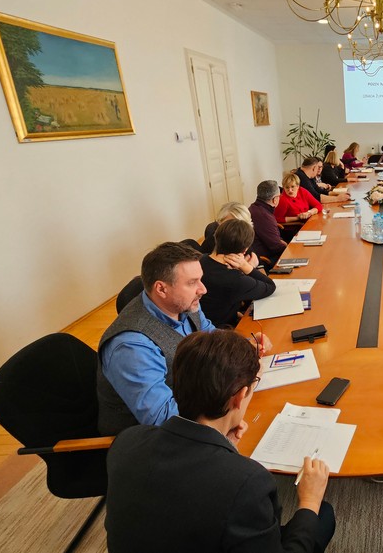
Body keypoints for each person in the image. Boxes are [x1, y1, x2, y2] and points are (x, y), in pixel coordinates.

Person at [106, 330, 336, 553]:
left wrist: (224, 448)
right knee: (322, 515)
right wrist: (310, 500)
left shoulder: (126, 441)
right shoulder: (249, 483)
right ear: (239, 397)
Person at [97, 242, 271, 435]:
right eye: (192, 282)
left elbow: (210, 334)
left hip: (196, 411)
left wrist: (244, 347)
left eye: (200, 280)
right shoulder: (131, 346)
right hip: (148, 441)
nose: (203, 289)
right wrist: (223, 422)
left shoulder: (184, 303)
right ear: (161, 289)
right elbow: (164, 419)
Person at [199, 219, 276, 327]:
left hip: (202, 324)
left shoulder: (199, 260)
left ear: (216, 239)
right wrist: (246, 267)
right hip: (221, 331)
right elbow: (270, 286)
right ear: (245, 250)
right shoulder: (235, 279)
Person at [248, 180, 288, 264]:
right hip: (266, 260)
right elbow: (276, 246)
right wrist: (290, 249)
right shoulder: (264, 215)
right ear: (274, 200)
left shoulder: (254, 207)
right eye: (279, 196)